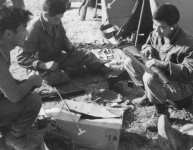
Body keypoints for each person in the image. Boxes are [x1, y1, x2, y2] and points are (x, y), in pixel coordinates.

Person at [16, 0, 124, 86]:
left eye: (60, 18)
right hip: (43, 65)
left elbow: (63, 38)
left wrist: (69, 47)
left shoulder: (56, 20)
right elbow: (21, 58)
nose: (59, 21)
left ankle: (105, 71)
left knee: (86, 54)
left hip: (59, 58)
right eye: (56, 19)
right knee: (53, 78)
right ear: (45, 15)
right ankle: (71, 71)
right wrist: (43, 65)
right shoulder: (33, 29)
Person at [123, 3, 193, 132]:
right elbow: (148, 44)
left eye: (161, 27)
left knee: (149, 77)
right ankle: (150, 96)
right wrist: (147, 48)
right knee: (129, 62)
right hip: (161, 78)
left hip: (183, 89)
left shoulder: (188, 43)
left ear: (173, 26)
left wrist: (165, 65)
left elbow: (190, 73)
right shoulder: (156, 33)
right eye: (155, 25)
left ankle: (161, 114)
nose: (156, 30)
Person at [0, 6, 42, 149]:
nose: (26, 33)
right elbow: (14, 96)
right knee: (33, 101)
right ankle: (14, 138)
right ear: (8, 34)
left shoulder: (1, 48)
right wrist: (31, 81)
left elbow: (1, 82)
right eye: (23, 28)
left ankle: (4, 126)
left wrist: (23, 84)